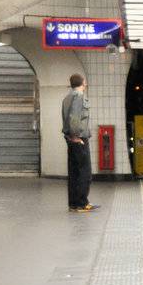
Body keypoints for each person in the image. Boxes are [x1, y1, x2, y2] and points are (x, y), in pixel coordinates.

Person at [61, 73, 95, 213]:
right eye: (85, 82)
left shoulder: (67, 97)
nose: (86, 84)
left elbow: (66, 118)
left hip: (70, 138)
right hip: (78, 138)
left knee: (74, 172)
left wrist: (70, 136)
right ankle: (82, 203)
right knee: (84, 172)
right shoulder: (79, 97)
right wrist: (76, 137)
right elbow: (74, 118)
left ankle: (73, 204)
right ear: (82, 83)